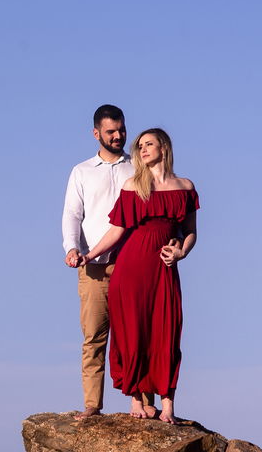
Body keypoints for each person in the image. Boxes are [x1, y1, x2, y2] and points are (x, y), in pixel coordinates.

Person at [80, 128, 198, 424]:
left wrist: (181, 252)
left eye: (149, 144)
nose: (143, 150)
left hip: (164, 269)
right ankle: (136, 399)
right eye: (140, 146)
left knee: (167, 332)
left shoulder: (185, 186)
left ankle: (167, 405)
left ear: (164, 147)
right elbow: (117, 231)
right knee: (133, 331)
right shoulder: (133, 186)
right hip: (131, 268)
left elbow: (190, 232)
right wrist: (89, 256)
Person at [62, 105, 154, 419]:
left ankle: (145, 401)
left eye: (121, 130)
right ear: (96, 133)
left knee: (139, 333)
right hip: (94, 266)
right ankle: (92, 404)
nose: (118, 136)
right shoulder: (81, 171)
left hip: (135, 263)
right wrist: (71, 248)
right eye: (111, 131)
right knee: (94, 336)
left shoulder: (139, 167)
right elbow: (72, 214)